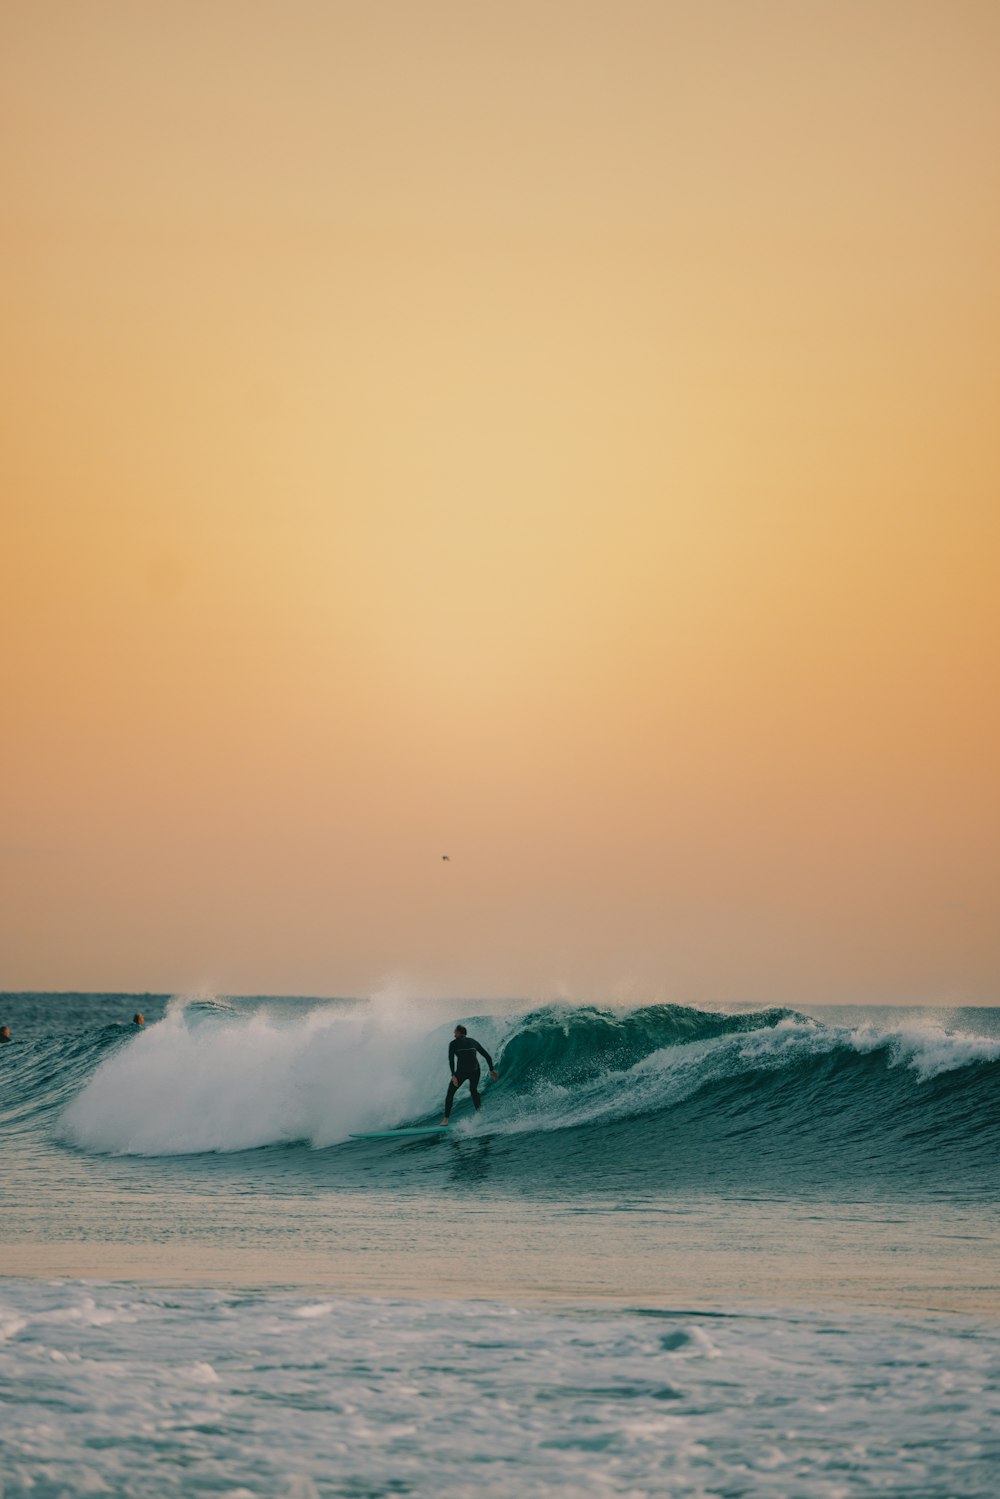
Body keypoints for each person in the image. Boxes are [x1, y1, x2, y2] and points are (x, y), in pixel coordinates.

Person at [442, 1024, 498, 1124]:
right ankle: (480, 1115)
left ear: (459, 1032)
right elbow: (487, 1056)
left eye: (455, 1032)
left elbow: (451, 1060)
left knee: (450, 1093)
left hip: (461, 1072)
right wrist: (492, 1070)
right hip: (475, 1070)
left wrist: (453, 1075)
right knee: (473, 1090)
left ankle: (446, 1119)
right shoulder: (473, 1041)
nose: (454, 1034)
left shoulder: (453, 1044)